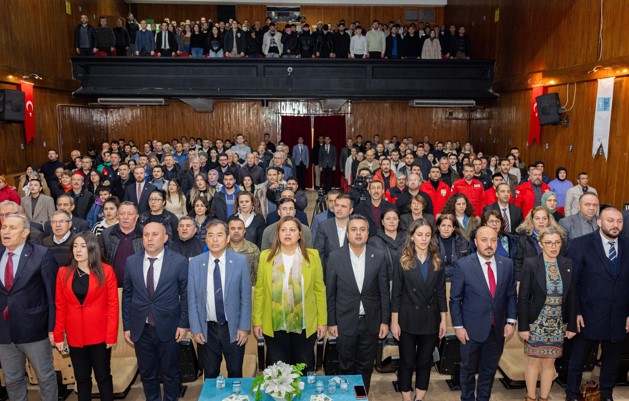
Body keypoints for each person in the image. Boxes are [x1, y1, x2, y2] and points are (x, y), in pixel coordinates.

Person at [565, 207, 629, 401]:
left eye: (619, 221)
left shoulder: (628, 245)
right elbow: (572, 283)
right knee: (578, 359)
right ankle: (572, 395)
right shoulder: (580, 244)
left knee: (612, 360)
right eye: (610, 220)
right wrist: (575, 312)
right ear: (599, 222)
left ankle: (607, 394)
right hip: (587, 315)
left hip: (618, 314)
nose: (615, 225)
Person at [122, 223, 188, 401]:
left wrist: (183, 324)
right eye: (146, 235)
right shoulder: (132, 261)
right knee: (147, 374)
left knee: (170, 373)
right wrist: (127, 325)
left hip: (169, 327)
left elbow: (185, 295)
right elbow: (127, 295)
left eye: (154, 234)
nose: (149, 239)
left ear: (165, 238)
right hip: (141, 329)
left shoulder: (179, 262)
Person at [450, 226, 517, 401]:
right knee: (468, 371)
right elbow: (455, 299)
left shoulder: (507, 264)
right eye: (484, 240)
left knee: (488, 371)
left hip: (497, 331)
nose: (489, 244)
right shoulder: (463, 266)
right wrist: (458, 327)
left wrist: (510, 322)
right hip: (470, 331)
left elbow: (511, 295)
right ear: (475, 242)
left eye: (493, 240)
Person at [253, 216, 327, 372]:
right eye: (283, 230)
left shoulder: (312, 257)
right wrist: (257, 321)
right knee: (277, 372)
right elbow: (259, 291)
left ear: (300, 234)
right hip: (275, 325)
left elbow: (319, 290)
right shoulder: (266, 256)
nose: (288, 233)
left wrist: (322, 321)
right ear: (278, 234)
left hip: (305, 325)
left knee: (303, 369)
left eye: (292, 230)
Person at [326, 215, 390, 393]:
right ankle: (347, 397)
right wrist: (332, 321)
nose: (358, 233)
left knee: (365, 365)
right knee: (345, 365)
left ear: (368, 234)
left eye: (362, 229)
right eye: (354, 229)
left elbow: (384, 292)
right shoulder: (335, 257)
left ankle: (361, 396)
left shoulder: (378, 256)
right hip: (345, 321)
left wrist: (385, 321)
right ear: (347, 234)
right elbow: (330, 293)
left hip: (371, 322)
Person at [54, 232, 119, 401]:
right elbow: (60, 305)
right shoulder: (63, 272)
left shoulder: (106, 271)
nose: (78, 250)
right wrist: (58, 334)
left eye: (83, 246)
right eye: (75, 246)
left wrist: (111, 335)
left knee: (103, 376)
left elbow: (113, 306)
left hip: (99, 335)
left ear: (92, 248)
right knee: (81, 379)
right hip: (75, 336)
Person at [0, 214, 58, 401]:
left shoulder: (41, 254)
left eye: (12, 228)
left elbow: (51, 294)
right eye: (3, 227)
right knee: (12, 380)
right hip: (4, 332)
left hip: (34, 329)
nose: (6, 231)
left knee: (45, 377)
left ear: (25, 232)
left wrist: (52, 327)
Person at [517, 227, 577, 401]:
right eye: (549, 243)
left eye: (557, 242)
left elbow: (573, 297)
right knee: (534, 361)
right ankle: (530, 397)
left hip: (557, 322)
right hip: (536, 322)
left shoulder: (567, 264)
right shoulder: (531, 264)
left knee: (550, 362)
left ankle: (544, 398)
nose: (554, 246)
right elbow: (523, 298)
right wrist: (523, 326)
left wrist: (571, 325)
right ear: (540, 244)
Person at [391, 219, 447, 401]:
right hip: (407, 319)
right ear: (412, 236)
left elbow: (440, 293)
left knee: (425, 362)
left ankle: (419, 398)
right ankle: (406, 398)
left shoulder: (437, 259)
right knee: (407, 362)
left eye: (427, 235)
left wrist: (444, 320)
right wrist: (394, 321)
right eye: (419, 234)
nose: (423, 239)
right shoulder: (402, 258)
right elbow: (397, 293)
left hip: (430, 319)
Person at [188, 220, 251, 378]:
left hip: (233, 328)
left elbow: (245, 297)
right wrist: (196, 329)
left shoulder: (240, 261)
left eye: (219, 235)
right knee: (210, 373)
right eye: (211, 235)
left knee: (235, 372)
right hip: (208, 329)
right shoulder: (195, 263)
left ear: (228, 238)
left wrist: (244, 327)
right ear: (206, 239)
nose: (215, 240)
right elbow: (192, 299)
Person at [99, 202, 144, 287]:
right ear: (117, 215)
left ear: (137, 217)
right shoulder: (106, 234)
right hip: (112, 286)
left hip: (138, 287)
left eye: (130, 214)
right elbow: (99, 261)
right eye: (122, 214)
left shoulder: (145, 234)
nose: (125, 217)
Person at [514, 206, 566, 280]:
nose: (541, 221)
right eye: (537, 218)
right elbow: (518, 263)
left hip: (553, 278)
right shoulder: (523, 239)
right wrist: (519, 281)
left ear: (548, 220)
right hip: (531, 279)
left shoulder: (557, 238)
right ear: (532, 220)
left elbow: (562, 259)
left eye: (544, 218)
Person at [315, 194, 353, 276]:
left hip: (352, 273)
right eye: (336, 205)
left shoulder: (356, 226)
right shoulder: (324, 226)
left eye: (343, 206)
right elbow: (319, 254)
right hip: (329, 273)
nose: (339, 209)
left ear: (351, 210)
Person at [367, 208, 406, 284]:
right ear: (382, 222)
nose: (391, 221)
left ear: (398, 221)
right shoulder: (374, 241)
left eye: (394, 219)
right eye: (388, 219)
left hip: (406, 281)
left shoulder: (407, 238)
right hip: (385, 282)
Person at [227, 216, 260, 284]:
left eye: (239, 228)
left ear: (244, 231)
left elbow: (258, 274)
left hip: (248, 290)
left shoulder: (253, 249)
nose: (236, 231)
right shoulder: (222, 249)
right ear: (228, 231)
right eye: (233, 228)